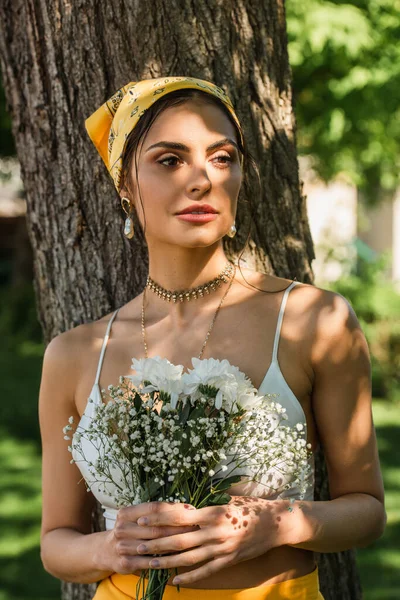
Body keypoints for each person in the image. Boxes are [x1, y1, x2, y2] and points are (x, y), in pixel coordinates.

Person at [38, 76, 386, 600]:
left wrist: (276, 523)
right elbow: (55, 540)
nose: (202, 179)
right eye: (170, 160)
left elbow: (367, 510)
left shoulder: (316, 320)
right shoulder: (74, 353)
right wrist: (110, 550)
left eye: (222, 158)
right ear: (125, 185)